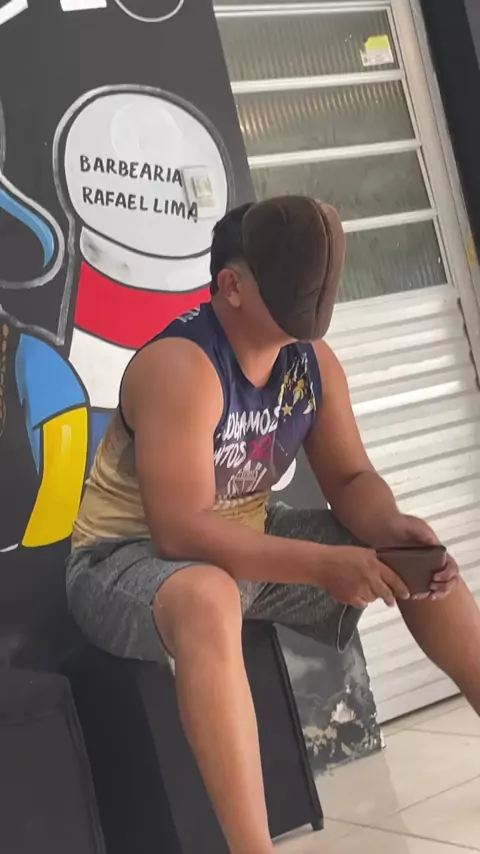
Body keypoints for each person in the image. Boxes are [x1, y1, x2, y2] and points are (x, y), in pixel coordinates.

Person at [67, 196, 480, 854]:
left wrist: (392, 525)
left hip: (247, 534)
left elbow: (351, 479)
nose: (310, 294)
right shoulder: (182, 365)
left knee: (418, 560)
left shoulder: (313, 363)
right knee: (208, 593)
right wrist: (322, 566)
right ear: (231, 285)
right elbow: (179, 532)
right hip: (122, 561)